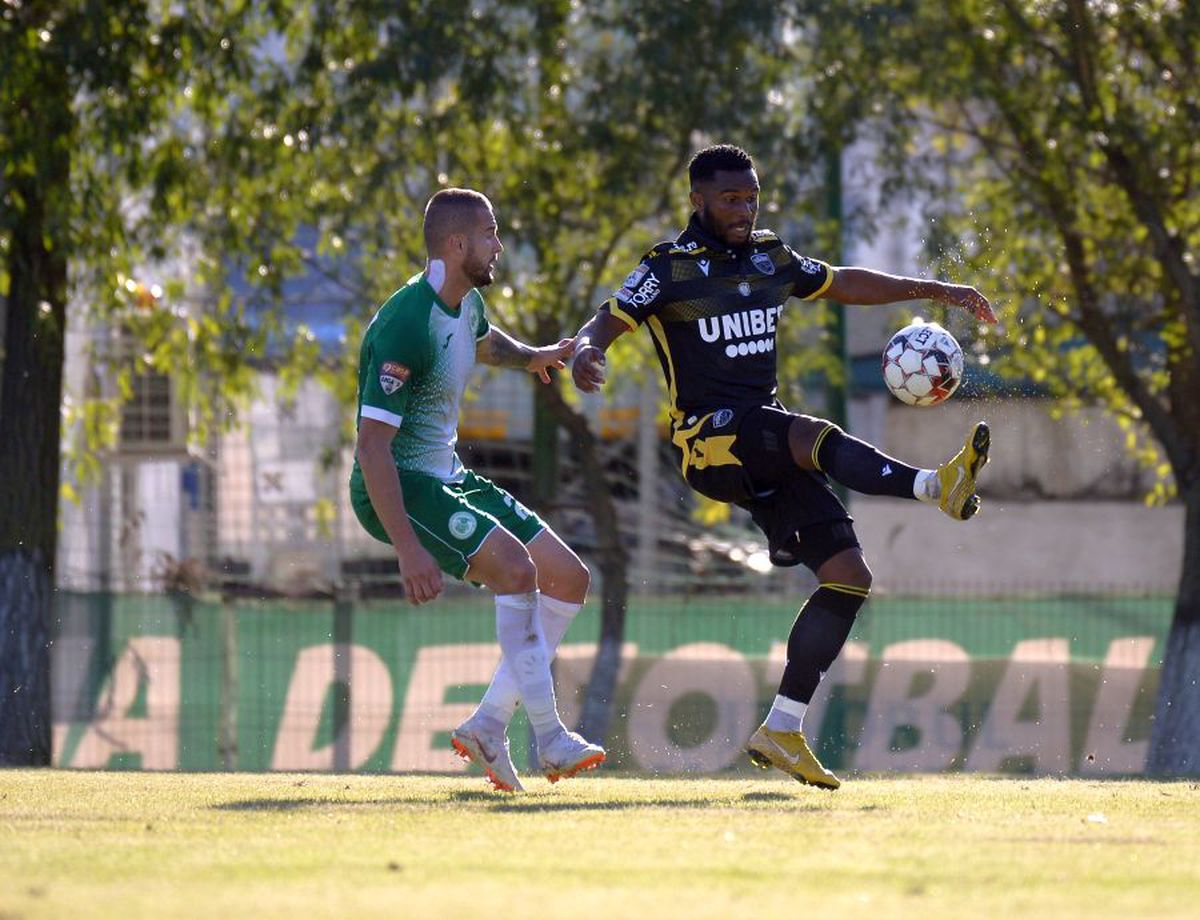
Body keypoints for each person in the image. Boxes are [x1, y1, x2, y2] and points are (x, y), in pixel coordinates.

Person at [571, 145, 996, 789]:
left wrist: (935, 289)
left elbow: (841, 281)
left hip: (763, 438)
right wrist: (585, 351)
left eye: (750, 197)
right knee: (813, 435)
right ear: (697, 200)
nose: (743, 210)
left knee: (849, 577)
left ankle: (784, 728)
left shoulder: (771, 256)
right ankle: (934, 486)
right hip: (708, 441)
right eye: (729, 199)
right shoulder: (669, 268)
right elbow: (610, 318)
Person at [351, 187, 604, 793]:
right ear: (457, 242)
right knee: (518, 572)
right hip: (401, 484)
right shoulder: (405, 323)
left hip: (448, 474)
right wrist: (409, 550)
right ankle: (549, 738)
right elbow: (371, 448)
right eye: (491, 234)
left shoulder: (463, 304)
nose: (499, 245)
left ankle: (489, 724)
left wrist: (538, 356)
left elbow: (488, 343)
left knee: (568, 577)